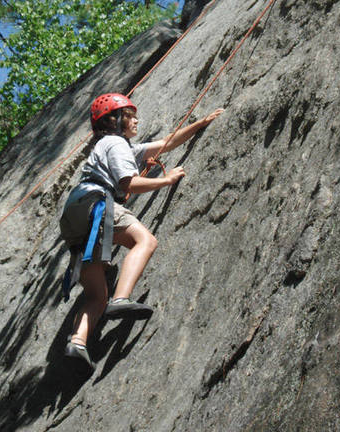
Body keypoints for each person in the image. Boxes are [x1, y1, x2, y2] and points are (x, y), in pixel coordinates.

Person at [60, 93, 223, 370]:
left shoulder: (113, 146)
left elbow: (165, 144)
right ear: (115, 120)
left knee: (96, 296)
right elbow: (128, 183)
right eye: (130, 115)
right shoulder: (115, 143)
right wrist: (166, 179)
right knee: (144, 241)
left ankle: (78, 341)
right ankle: (121, 298)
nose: (136, 120)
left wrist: (200, 123)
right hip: (95, 204)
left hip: (74, 216)